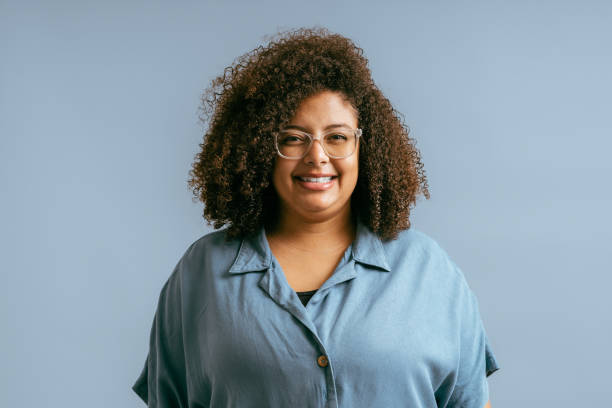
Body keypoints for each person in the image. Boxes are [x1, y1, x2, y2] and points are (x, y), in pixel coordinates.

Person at [132, 27, 499, 407]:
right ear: (260, 149)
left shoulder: (428, 270)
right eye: (293, 137)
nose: (317, 156)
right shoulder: (201, 272)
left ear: (365, 148)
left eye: (337, 137)